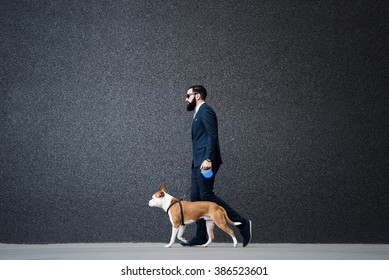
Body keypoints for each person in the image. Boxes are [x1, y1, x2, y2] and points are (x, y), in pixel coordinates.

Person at [183, 85, 252, 247]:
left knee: (206, 195)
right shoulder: (197, 113)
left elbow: (212, 136)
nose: (186, 99)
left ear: (198, 96)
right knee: (196, 198)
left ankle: (242, 223)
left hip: (206, 161)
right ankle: (200, 236)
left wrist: (208, 158)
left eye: (188, 95)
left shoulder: (206, 111)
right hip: (197, 162)